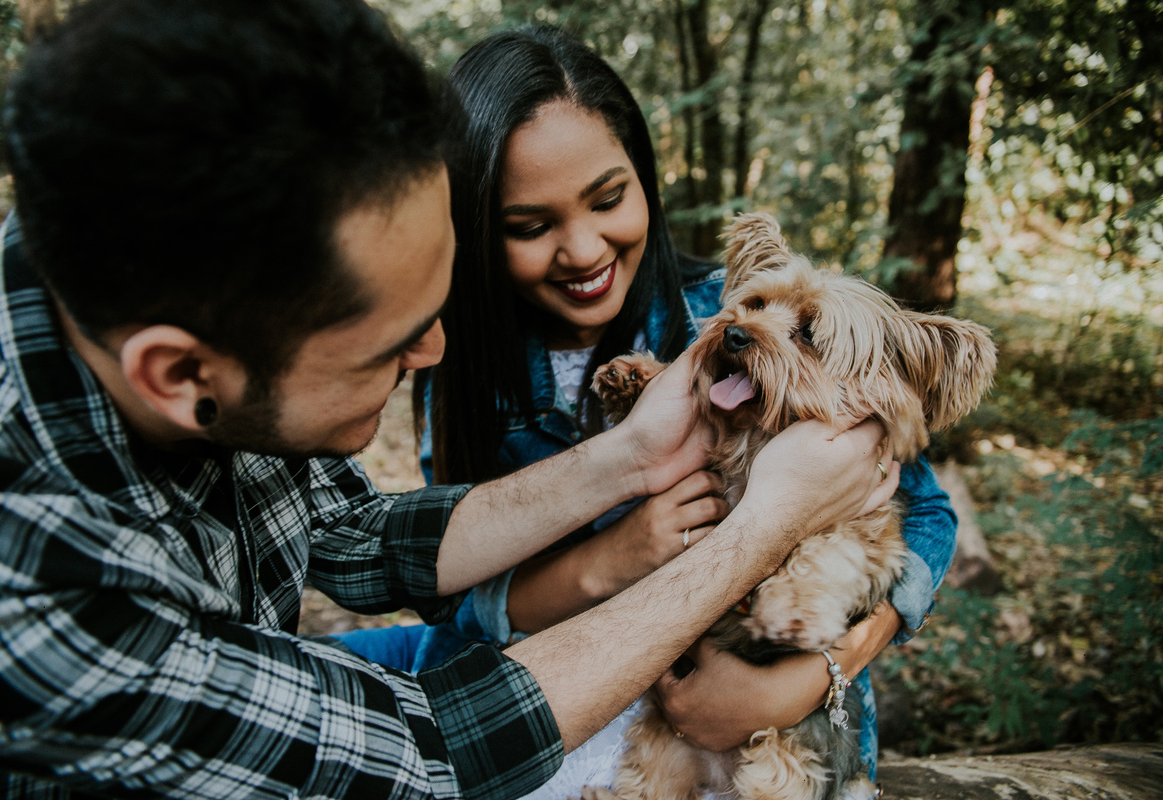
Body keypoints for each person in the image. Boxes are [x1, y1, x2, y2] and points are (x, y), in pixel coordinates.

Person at [0, 2, 899, 799]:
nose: (438, 352)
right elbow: (421, 752)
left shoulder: (172, 274)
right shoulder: (16, 567)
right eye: (390, 344)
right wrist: (759, 532)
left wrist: (629, 456)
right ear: (179, 376)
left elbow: (352, 538)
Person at [351, 27, 958, 788]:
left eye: (609, 199)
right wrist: (611, 559)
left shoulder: (725, 314)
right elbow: (457, 603)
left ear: (645, 178)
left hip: (767, 732)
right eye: (530, 227)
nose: (583, 250)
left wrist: (816, 675)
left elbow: (924, 513)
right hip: (558, 694)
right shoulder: (466, 367)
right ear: (476, 231)